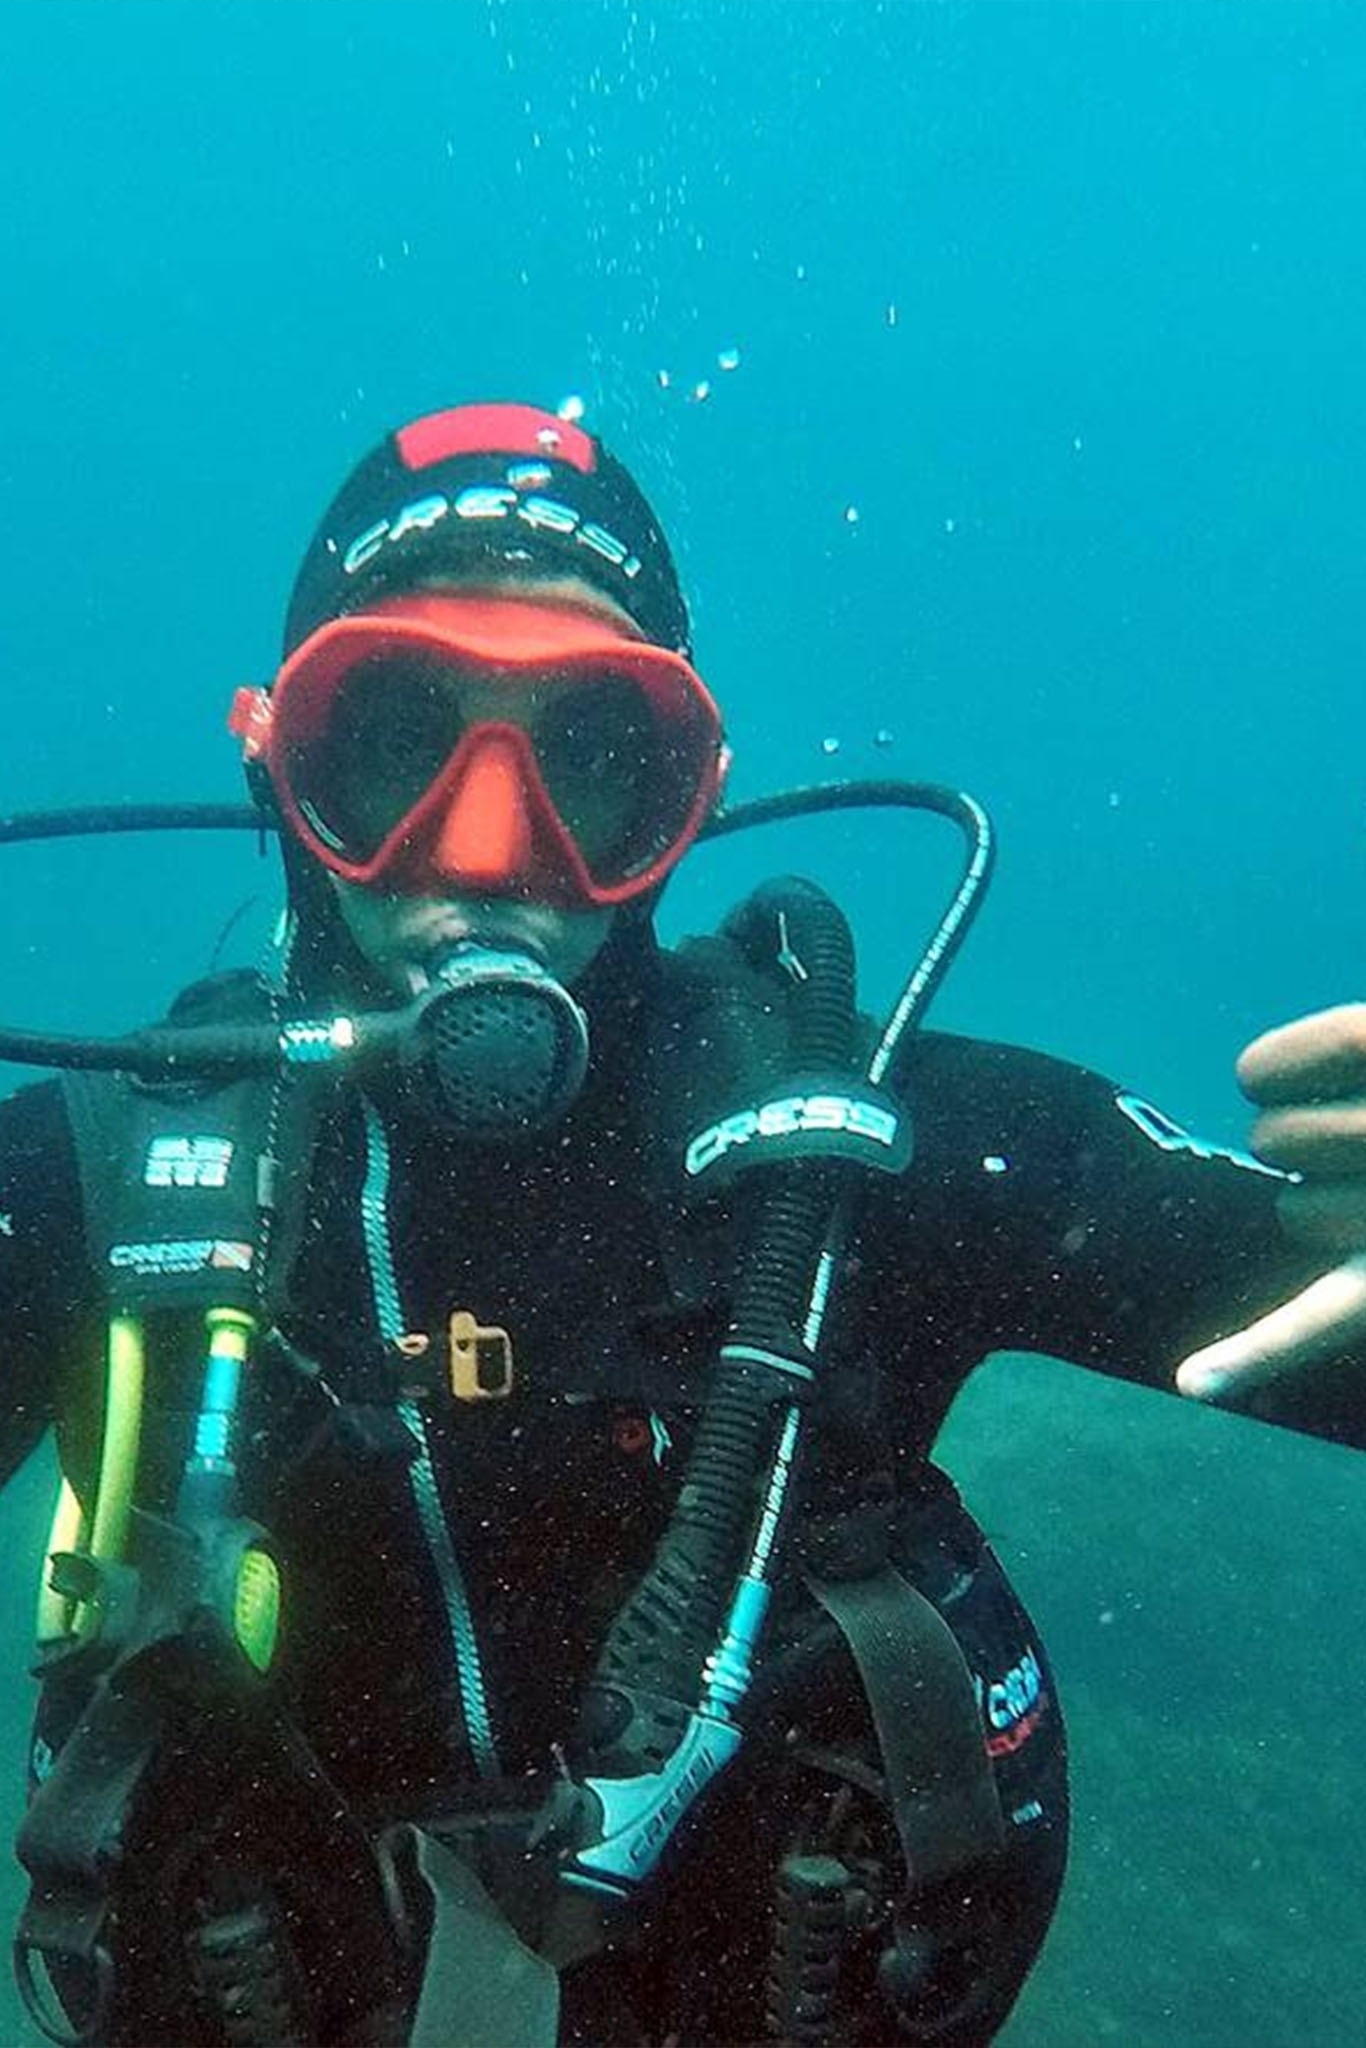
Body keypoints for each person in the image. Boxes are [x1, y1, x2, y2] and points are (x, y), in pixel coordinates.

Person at [2, 398, 1364, 2048]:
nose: (489, 849)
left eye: (591, 760)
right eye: (389, 742)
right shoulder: (98, 1175)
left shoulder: (878, 1144)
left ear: (693, 797)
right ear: (274, 762)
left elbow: (1326, 1328)